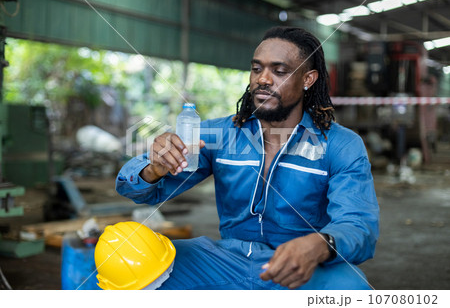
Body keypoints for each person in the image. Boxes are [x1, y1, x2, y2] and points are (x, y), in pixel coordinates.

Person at [115, 26, 379, 290]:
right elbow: (135, 189)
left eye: (279, 71)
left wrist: (320, 245)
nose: (263, 79)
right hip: (226, 261)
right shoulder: (219, 134)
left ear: (307, 79)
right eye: (256, 69)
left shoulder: (340, 145)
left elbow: (359, 226)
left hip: (300, 267)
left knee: (353, 290)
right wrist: (153, 169)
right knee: (125, 270)